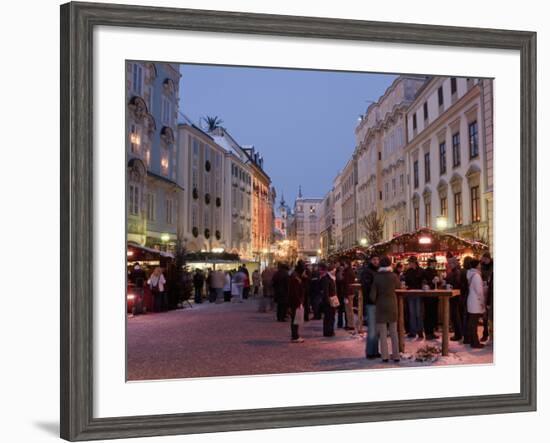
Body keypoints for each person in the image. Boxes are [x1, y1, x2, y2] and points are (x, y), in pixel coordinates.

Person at [369, 256, 401, 362]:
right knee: (393, 332)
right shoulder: (394, 276)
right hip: (392, 305)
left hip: (381, 306)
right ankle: (396, 355)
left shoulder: (377, 277)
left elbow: (372, 296)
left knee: (382, 333)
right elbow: (399, 286)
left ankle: (385, 356)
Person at [360, 254, 380, 359]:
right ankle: (370, 352)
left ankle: (375, 351)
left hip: (378, 302)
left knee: (376, 329)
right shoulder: (367, 272)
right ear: (370, 260)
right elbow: (366, 288)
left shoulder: (378, 271)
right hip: (371, 303)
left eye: (377, 259)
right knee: (372, 328)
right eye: (374, 259)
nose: (376, 261)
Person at [465, 258, 486, 348]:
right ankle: (475, 343)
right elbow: (479, 292)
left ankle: (471, 340)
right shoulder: (476, 276)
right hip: (476, 302)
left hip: (471, 301)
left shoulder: (471, 274)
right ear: (477, 266)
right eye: (479, 264)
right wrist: (482, 303)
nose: (480, 266)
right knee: (473, 323)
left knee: (471, 322)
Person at [404, 256, 424, 339]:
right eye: (409, 263)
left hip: (418, 293)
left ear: (415, 262)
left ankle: (419, 331)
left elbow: (424, 281)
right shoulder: (408, 271)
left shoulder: (421, 271)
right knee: (412, 313)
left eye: (411, 262)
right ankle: (413, 331)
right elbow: (406, 282)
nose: (410, 264)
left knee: (418, 313)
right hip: (411, 293)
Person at [445, 257, 463, 341]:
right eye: (449, 263)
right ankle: (458, 333)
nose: (449, 265)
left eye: (451, 263)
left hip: (455, 297)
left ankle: (458, 334)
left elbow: (457, 284)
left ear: (455, 263)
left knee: (455, 316)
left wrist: (450, 286)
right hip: (454, 296)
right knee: (455, 316)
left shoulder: (456, 272)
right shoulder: (453, 272)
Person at [422, 257, 440, 340]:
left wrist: (439, 281)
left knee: (433, 314)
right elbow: (425, 283)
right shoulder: (425, 272)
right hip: (429, 296)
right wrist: (432, 283)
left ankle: (431, 332)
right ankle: (428, 332)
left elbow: (436, 283)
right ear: (430, 264)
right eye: (434, 263)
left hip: (434, 295)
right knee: (429, 314)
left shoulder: (435, 271)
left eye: (435, 263)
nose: (435, 264)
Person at [288, 261, 306, 343]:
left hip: (294, 301)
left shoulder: (296, 276)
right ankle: (295, 336)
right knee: (295, 319)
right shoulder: (296, 278)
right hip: (295, 301)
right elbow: (295, 291)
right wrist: (299, 301)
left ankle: (295, 335)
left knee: (295, 319)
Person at [319, 262, 337, 337]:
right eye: (334, 270)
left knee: (332, 316)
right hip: (329, 300)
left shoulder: (332, 278)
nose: (335, 272)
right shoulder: (326, 278)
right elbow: (325, 291)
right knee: (328, 317)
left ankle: (331, 330)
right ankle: (328, 332)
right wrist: (327, 301)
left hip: (333, 299)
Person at [480, 252, 493, 342]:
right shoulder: (481, 266)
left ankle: (491, 334)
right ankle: (485, 333)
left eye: (485, 258)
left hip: (491, 290)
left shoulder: (493, 265)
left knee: (491, 315)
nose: (483, 260)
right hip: (484, 290)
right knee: (485, 315)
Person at [343, 261, 356, 331]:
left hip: (348, 293)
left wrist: (346, 295)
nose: (344, 265)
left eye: (344, 264)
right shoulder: (351, 271)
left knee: (349, 310)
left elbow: (346, 284)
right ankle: (350, 324)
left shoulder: (347, 272)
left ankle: (351, 325)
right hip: (351, 292)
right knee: (349, 309)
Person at [335, 262, 346, 328]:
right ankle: (340, 323)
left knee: (341, 310)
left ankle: (340, 323)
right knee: (341, 310)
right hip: (340, 294)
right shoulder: (339, 274)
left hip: (341, 294)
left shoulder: (338, 274)